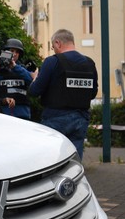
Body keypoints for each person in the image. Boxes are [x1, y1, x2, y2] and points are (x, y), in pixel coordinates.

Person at [28, 28, 99, 159]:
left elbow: (34, 91)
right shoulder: (89, 63)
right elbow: (93, 93)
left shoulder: (52, 61)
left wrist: (35, 78)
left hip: (55, 119)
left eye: (53, 47)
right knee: (74, 160)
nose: (53, 50)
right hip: (80, 119)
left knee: (52, 159)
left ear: (58, 43)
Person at [0, 39, 36, 120]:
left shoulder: (24, 68)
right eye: (12, 51)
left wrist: (15, 67)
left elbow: (33, 82)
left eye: (17, 52)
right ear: (4, 53)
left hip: (22, 113)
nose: (15, 54)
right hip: (3, 113)